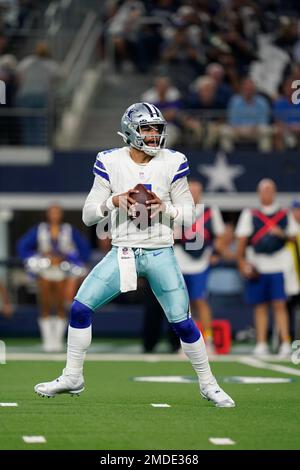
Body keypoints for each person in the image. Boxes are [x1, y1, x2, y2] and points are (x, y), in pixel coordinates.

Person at [34, 102, 234, 407]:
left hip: (160, 251)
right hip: (123, 250)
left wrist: (164, 207)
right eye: (147, 128)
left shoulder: (173, 161)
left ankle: (208, 383)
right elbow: (89, 215)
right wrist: (115, 200)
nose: (154, 135)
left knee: (182, 322)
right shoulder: (110, 162)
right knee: (79, 309)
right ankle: (73, 376)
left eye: (157, 129)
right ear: (131, 131)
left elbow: (191, 217)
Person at [236, 179, 298, 356]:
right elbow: (242, 240)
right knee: (260, 306)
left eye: (270, 190)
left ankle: (285, 342)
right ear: (259, 193)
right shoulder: (250, 214)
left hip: (279, 264)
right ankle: (261, 343)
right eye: (264, 191)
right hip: (258, 264)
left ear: (275, 192)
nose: (267, 194)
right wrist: (241, 262)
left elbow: (293, 237)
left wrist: (282, 233)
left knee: (280, 304)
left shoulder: (284, 214)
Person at [17, 204, 91, 352]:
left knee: (60, 304)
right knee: (45, 303)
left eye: (57, 213)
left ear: (61, 214)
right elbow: (23, 246)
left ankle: (57, 340)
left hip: (62, 270)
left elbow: (84, 249)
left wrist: (69, 257)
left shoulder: (68, 230)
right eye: (52, 212)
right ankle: (47, 339)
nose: (55, 215)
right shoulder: (40, 229)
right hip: (45, 269)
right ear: (47, 214)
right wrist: (38, 257)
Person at [174, 180, 225, 354]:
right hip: (180, 262)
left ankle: (208, 340)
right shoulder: (177, 209)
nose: (193, 194)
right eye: (191, 191)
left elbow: (220, 236)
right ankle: (186, 343)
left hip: (201, 263)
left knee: (201, 301)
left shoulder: (211, 211)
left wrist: (215, 253)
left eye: (197, 191)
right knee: (183, 304)